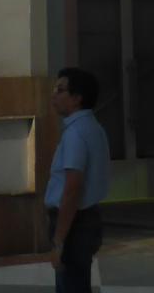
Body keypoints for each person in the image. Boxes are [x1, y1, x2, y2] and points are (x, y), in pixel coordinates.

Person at [46, 66, 110, 291]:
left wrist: (59, 241)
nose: (54, 95)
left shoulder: (76, 134)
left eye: (60, 90)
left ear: (76, 98)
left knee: (70, 283)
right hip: (87, 219)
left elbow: (73, 188)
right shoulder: (94, 128)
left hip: (74, 224)